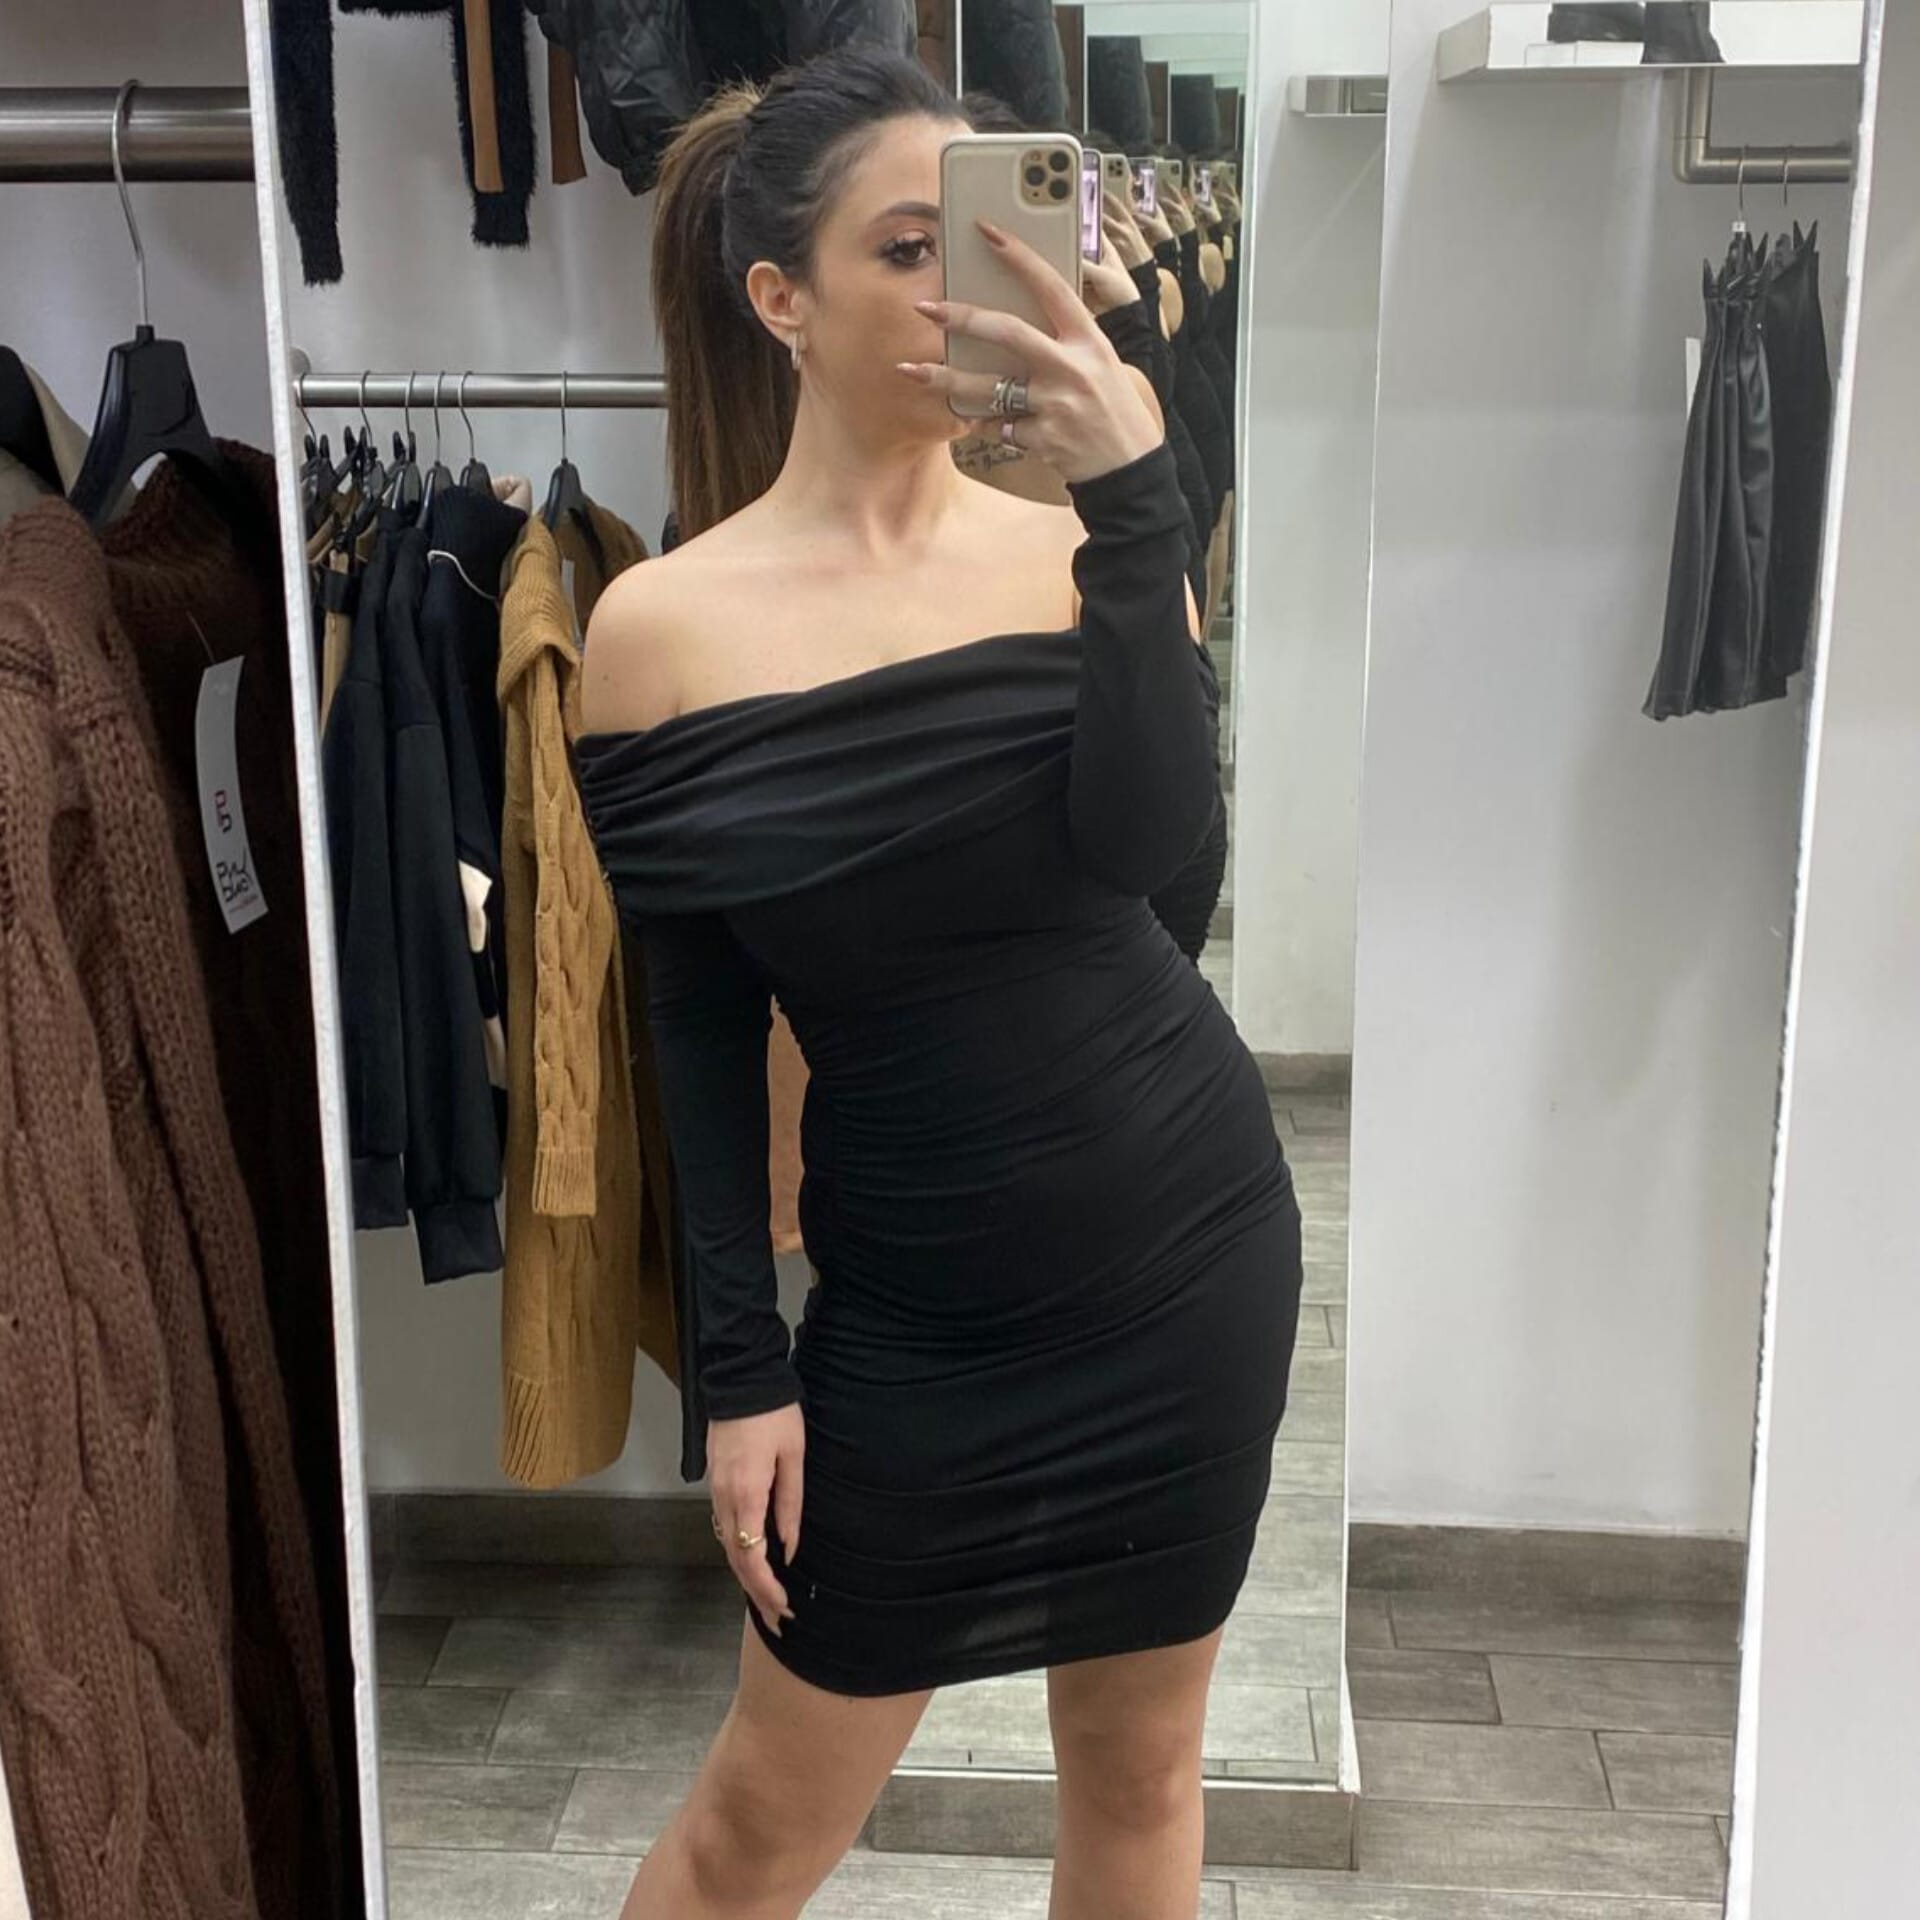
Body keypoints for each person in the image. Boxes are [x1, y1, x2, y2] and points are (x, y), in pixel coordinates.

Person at [574, 42, 1302, 1920]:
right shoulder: (658, 633)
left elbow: (1160, 874)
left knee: (1139, 1778)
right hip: (911, 1325)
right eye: (908, 249)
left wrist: (1139, 504)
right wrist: (740, 1371)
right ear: (780, 299)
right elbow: (693, 1024)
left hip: (1188, 1259)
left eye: (968, 240)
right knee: (753, 1832)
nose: (959, 289)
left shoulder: (1089, 551)